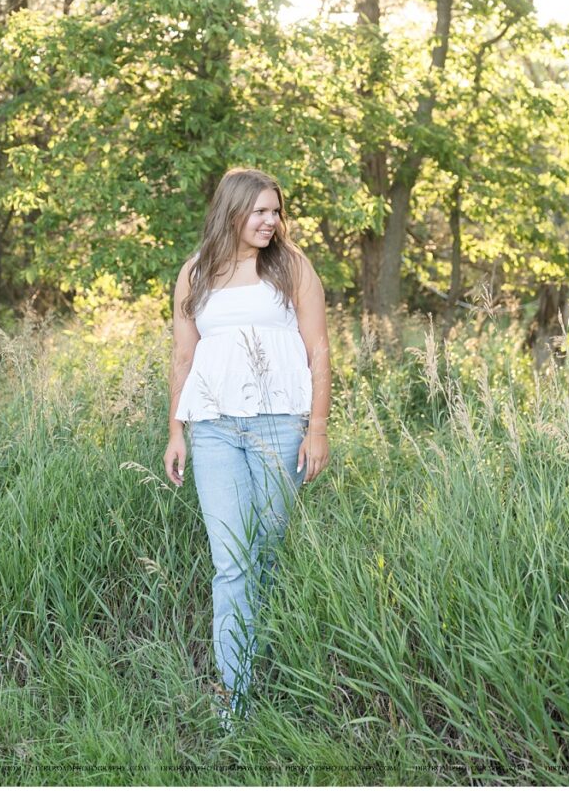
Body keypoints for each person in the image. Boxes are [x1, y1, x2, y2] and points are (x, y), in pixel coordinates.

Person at [163, 167, 331, 726]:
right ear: (231, 211)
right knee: (230, 562)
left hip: (280, 426)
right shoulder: (197, 273)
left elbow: (320, 351)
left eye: (276, 211)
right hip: (212, 428)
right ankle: (234, 697)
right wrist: (175, 430)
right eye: (259, 211)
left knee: (266, 552)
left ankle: (269, 664)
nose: (270, 221)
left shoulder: (292, 268)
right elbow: (183, 358)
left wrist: (318, 428)